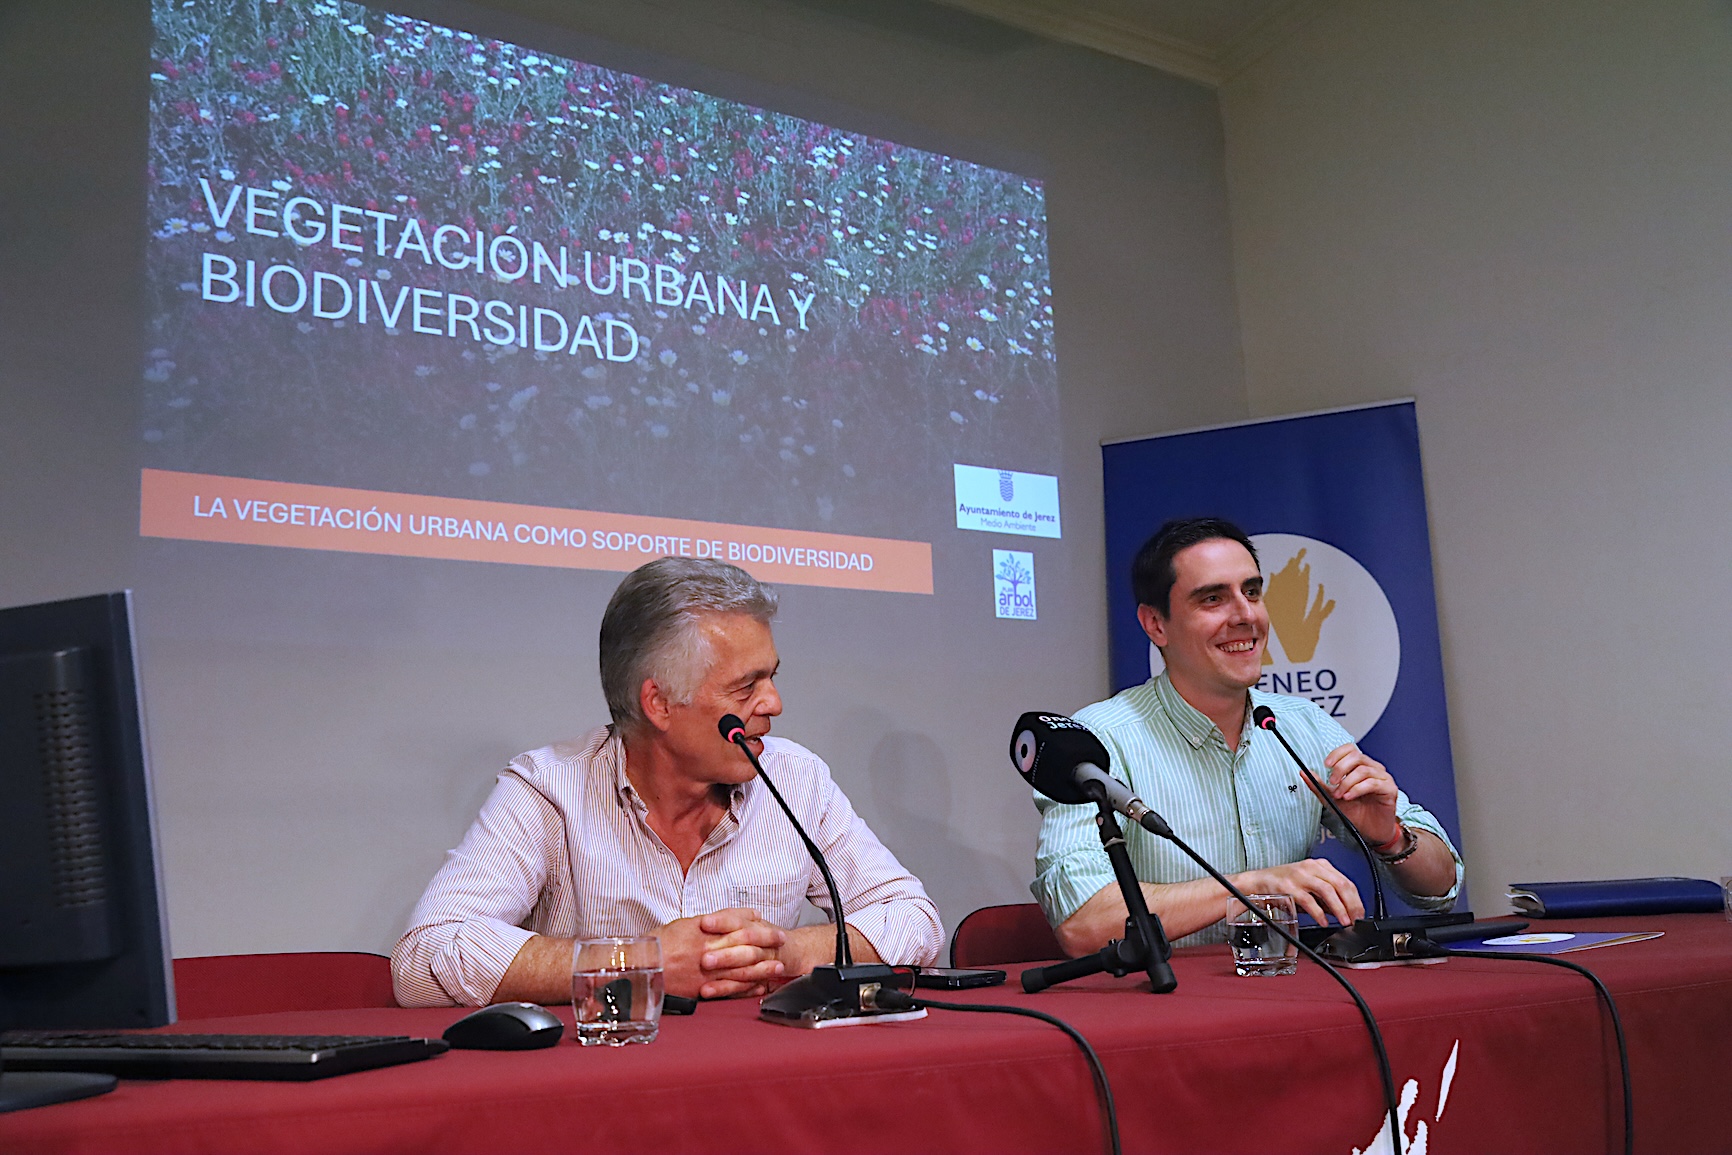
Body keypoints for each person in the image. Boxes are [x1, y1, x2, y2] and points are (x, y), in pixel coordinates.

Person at [393, 557, 942, 1006]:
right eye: (745, 687)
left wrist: (783, 953)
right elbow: (426, 956)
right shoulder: (550, 789)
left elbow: (915, 922)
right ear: (659, 703)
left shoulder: (794, 778)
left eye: (772, 677)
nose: (774, 704)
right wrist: (636, 961)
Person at [1031, 517, 1461, 955]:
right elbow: (1081, 922)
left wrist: (1389, 838)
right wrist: (1249, 888)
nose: (1246, 615)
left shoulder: (1303, 724)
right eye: (1213, 598)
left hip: (1291, 993)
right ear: (1156, 625)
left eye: (1252, 592)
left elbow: (1442, 888)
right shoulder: (1103, 739)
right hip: (1165, 1007)